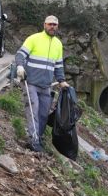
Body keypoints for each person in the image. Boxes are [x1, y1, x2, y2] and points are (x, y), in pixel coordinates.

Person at [14, 15, 70, 152]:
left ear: (57, 27)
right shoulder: (34, 38)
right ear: (44, 25)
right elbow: (20, 54)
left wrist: (62, 80)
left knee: (43, 114)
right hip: (31, 83)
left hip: (46, 86)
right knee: (33, 111)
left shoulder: (58, 44)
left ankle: (38, 138)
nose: (52, 27)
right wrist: (20, 66)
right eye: (50, 24)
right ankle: (33, 141)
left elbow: (58, 65)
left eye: (54, 25)